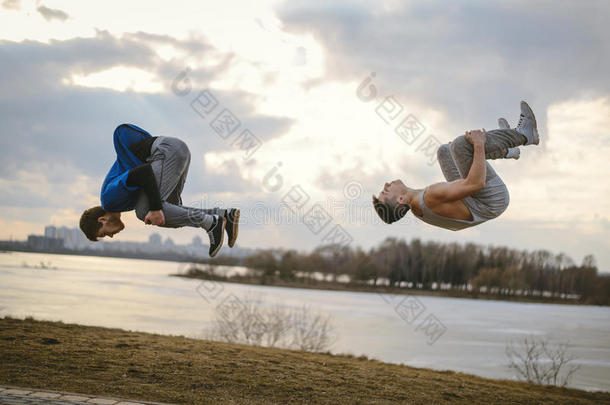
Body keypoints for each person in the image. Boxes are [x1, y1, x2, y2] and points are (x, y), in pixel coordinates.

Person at [373, 101, 539, 230]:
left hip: (477, 201)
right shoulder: (429, 196)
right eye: (386, 190)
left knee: (445, 152)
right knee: (461, 146)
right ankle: (524, 135)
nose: (386, 184)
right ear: (401, 199)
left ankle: (507, 150)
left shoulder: (419, 208)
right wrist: (479, 144)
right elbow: (476, 183)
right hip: (491, 199)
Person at [79, 124, 239, 257]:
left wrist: (154, 208)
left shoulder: (109, 199)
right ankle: (223, 215)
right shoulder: (119, 203)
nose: (111, 236)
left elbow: (143, 172)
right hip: (174, 150)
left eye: (104, 234)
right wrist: (157, 209)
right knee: (170, 215)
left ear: (102, 220)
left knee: (144, 211)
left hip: (165, 152)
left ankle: (211, 223)